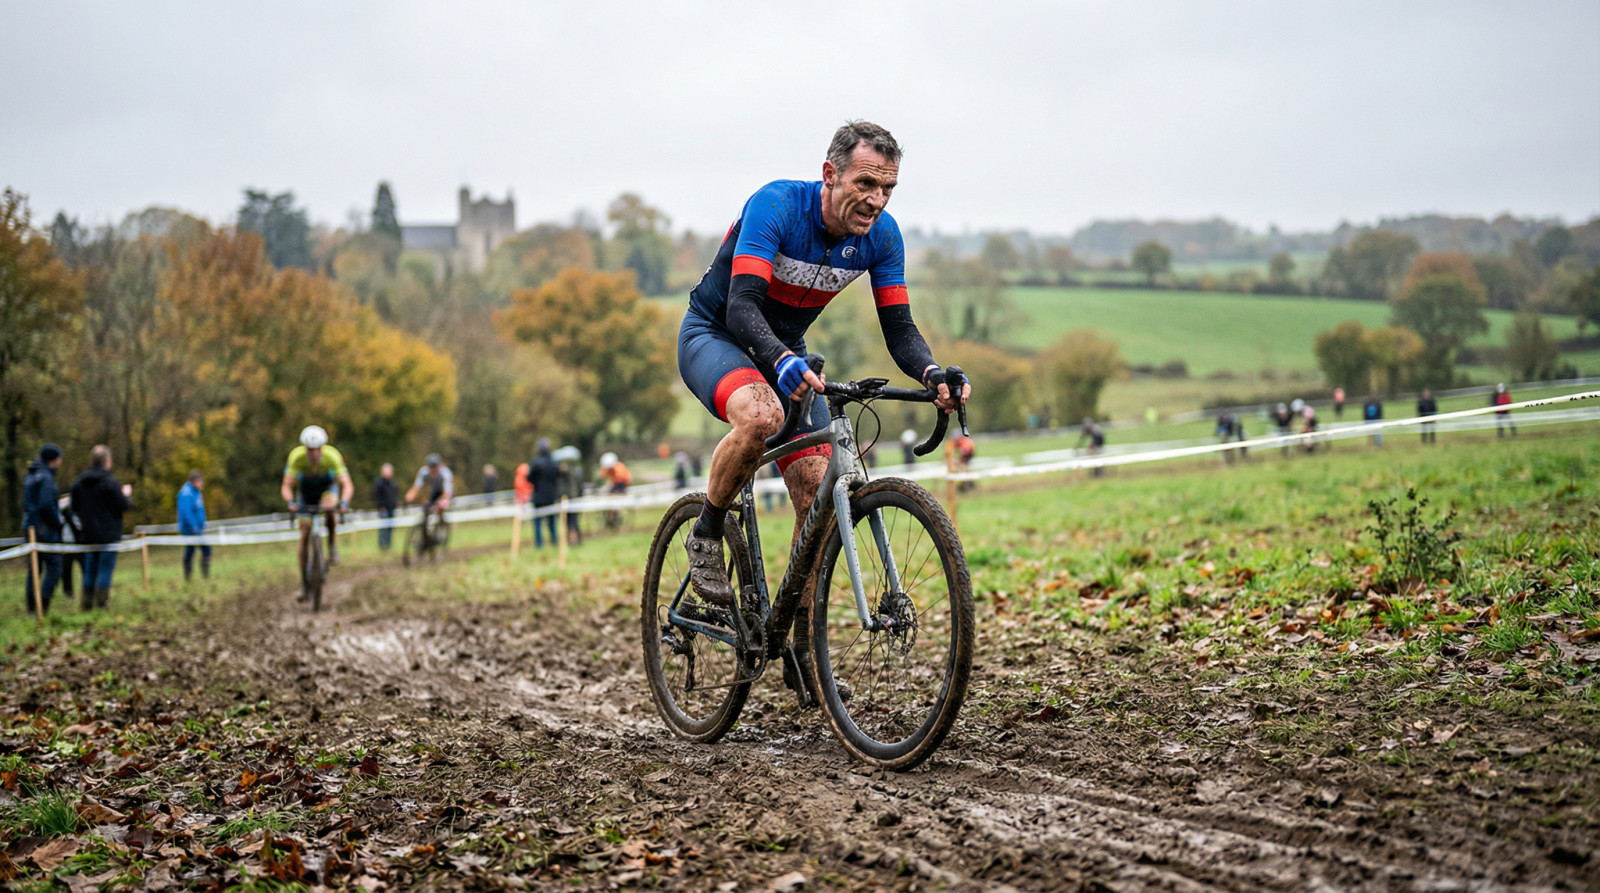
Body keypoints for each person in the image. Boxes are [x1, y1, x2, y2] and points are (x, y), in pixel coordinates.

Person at [673, 119, 968, 633]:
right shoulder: (777, 206)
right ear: (830, 174)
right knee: (762, 414)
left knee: (817, 495)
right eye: (866, 184)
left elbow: (899, 330)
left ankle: (799, 636)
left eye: (888, 189)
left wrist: (931, 372)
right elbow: (743, 308)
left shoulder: (882, 238)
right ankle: (707, 530)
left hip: (786, 352)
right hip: (716, 333)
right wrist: (781, 359)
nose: (877, 200)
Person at [281, 425, 354, 600]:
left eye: (317, 450)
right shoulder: (296, 458)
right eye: (310, 450)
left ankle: (331, 545)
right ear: (305, 449)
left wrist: (343, 503)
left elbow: (347, 484)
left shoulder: (332, 456)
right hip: (306, 491)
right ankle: (304, 581)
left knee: (329, 507)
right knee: (304, 532)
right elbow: (286, 485)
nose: (313, 454)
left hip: (326, 488)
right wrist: (290, 503)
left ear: (322, 449)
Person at [69, 445, 132, 611]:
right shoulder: (110, 482)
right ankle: (102, 603)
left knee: (89, 569)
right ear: (106, 461)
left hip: (89, 533)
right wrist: (126, 495)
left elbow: (73, 506)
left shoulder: (79, 482)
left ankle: (86, 604)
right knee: (105, 569)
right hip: (109, 534)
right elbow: (123, 505)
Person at [22, 443, 65, 615]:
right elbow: (46, 505)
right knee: (54, 566)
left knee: (34, 568)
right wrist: (57, 523)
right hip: (44, 528)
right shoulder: (46, 477)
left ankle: (32, 607)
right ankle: (43, 605)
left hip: (30, 525)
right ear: (54, 460)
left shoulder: (31, 475)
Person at [176, 470, 210, 582]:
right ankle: (188, 577)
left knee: (204, 549)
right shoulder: (186, 494)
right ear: (194, 481)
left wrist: (202, 524)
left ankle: (204, 575)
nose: (202, 483)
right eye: (200, 481)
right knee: (191, 550)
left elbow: (200, 510)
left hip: (198, 528)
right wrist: (193, 527)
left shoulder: (197, 492)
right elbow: (186, 513)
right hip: (189, 529)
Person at [528, 439, 561, 548]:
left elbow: (530, 478)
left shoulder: (536, 462)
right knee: (551, 521)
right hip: (551, 496)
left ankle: (539, 545)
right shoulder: (554, 462)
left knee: (537, 522)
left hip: (538, 496)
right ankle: (554, 542)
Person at [373, 463, 399, 551]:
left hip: (392, 508)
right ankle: (382, 545)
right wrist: (381, 506)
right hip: (383, 509)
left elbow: (394, 495)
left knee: (390, 527)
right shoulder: (379, 483)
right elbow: (377, 496)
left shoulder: (393, 483)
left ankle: (388, 544)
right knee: (383, 527)